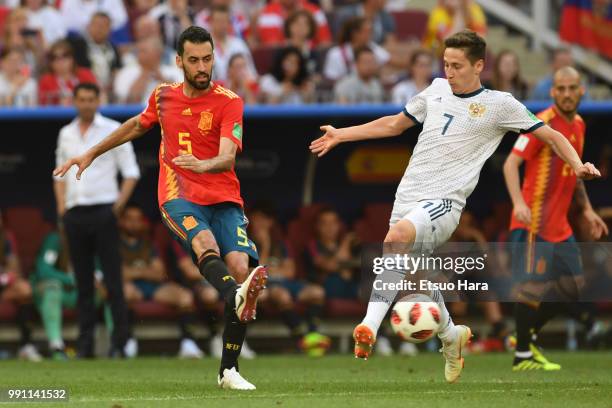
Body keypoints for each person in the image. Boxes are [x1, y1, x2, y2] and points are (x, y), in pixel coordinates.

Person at [309, 30, 601, 383]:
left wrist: (579, 163)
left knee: (394, 240)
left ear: (479, 66)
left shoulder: (500, 104)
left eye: (457, 66)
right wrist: (342, 134)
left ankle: (368, 325)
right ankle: (451, 336)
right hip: (408, 197)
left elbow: (551, 134)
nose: (449, 71)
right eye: (446, 64)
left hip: (445, 202)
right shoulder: (435, 90)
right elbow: (394, 124)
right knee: (417, 277)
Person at [54, 26, 268, 391]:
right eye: (194, 60)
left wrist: (204, 164)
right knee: (206, 247)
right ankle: (235, 296)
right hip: (178, 194)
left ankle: (227, 370)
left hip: (224, 196)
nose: (202, 67)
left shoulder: (230, 100)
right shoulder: (163, 97)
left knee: (238, 268)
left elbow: (228, 155)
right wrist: (90, 152)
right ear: (179, 61)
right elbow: (137, 125)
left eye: (207, 59)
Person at [503, 66, 608, 371]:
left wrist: (586, 209)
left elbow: (574, 173)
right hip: (533, 219)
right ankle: (522, 354)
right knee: (532, 287)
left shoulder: (579, 125)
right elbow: (510, 165)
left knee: (573, 285)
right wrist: (519, 203)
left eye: (571, 88)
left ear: (581, 90)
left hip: (559, 225)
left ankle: (525, 335)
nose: (565, 94)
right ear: (552, 92)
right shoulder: (541, 124)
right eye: (560, 88)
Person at [53, 82, 138, 358]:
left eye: (91, 99)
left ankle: (119, 343)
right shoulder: (66, 133)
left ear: (98, 100)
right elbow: (59, 174)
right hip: (75, 213)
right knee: (83, 282)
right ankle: (85, 344)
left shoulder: (114, 128)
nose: (87, 104)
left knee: (113, 280)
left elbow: (131, 173)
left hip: (104, 211)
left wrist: (116, 208)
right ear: (75, 101)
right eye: (82, 99)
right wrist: (62, 209)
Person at [119, 204, 204, 359]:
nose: (134, 223)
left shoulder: (149, 242)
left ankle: (188, 342)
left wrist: (135, 272)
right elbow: (119, 274)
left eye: (138, 219)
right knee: (125, 292)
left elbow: (159, 273)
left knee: (185, 297)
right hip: (132, 289)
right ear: (122, 221)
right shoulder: (115, 244)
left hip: (154, 287)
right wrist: (145, 270)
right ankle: (127, 340)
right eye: (129, 219)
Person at [31, 228, 112, 360]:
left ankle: (116, 346)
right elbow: (43, 270)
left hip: (81, 294)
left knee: (110, 292)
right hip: (58, 292)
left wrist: (97, 280)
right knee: (53, 288)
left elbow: (99, 269)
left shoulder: (91, 240)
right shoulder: (55, 240)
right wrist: (73, 279)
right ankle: (56, 346)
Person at [0, 210, 42, 361]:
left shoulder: (6, 237)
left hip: (3, 284)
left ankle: (26, 345)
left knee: (25, 290)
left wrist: (7, 276)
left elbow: (14, 267)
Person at [113, 37, 182, 104]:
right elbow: (129, 102)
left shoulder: (174, 72)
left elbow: (180, 98)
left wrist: (161, 78)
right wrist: (145, 74)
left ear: (158, 53)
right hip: (135, 114)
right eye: (138, 51)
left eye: (143, 51)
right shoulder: (126, 72)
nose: (139, 54)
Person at [323, 17, 389, 82]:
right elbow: (331, 79)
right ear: (355, 33)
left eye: (371, 31)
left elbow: (389, 61)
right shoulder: (335, 54)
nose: (370, 35)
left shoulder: (373, 48)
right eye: (367, 31)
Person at [38, 40, 98, 106]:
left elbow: (97, 97)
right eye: (55, 57)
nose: (60, 61)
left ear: (72, 58)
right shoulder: (46, 80)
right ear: (50, 62)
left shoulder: (85, 74)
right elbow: (43, 105)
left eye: (65, 56)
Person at [423, 0, 487, 57]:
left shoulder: (474, 10)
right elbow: (449, 42)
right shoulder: (438, 12)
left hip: (465, 57)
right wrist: (459, 14)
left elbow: (480, 41)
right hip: (434, 58)